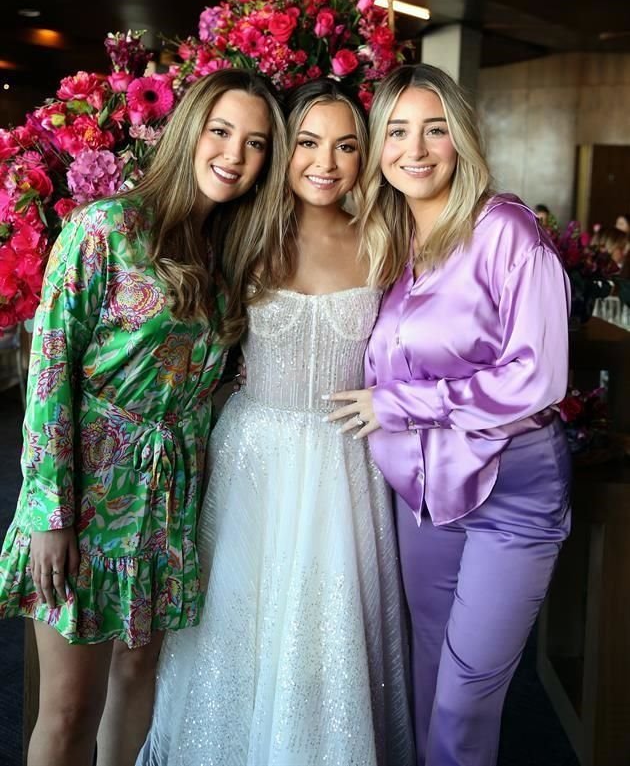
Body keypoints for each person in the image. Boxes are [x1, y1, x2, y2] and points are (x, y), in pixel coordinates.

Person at [0, 68, 285, 766]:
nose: (234, 154)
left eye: (254, 143)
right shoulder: (106, 228)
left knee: (138, 681)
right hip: (89, 497)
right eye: (221, 131)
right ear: (190, 131)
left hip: (168, 504)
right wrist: (50, 515)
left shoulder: (229, 255)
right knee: (68, 708)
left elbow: (210, 380)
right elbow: (48, 376)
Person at [142, 79, 415, 766]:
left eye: (347, 146)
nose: (327, 161)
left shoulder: (385, 241)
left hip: (344, 463)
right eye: (310, 143)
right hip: (254, 456)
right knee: (240, 630)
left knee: (329, 641)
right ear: (285, 150)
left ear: (366, 157)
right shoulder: (239, 234)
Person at [327, 63, 572, 766]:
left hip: (513, 492)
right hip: (423, 497)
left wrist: (403, 403)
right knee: (428, 671)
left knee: (467, 698)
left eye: (435, 129)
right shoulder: (388, 241)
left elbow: (540, 376)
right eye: (397, 130)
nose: (417, 148)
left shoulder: (507, 232)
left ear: (460, 139)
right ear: (378, 147)